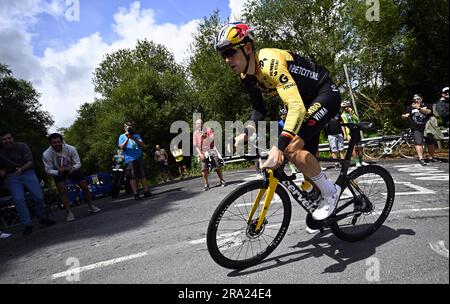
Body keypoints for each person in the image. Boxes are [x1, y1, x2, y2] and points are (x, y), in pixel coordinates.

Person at [215, 22, 341, 220]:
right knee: (305, 162)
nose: (227, 59)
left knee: (290, 149)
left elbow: (297, 107)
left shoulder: (269, 62)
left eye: (230, 52)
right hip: (302, 102)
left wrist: (279, 148)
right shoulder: (246, 76)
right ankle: (322, 201)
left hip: (324, 93)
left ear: (247, 48)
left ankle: (331, 192)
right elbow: (258, 111)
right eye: (223, 55)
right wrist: (244, 134)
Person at [0, 129, 55, 235]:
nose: (7, 141)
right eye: (4, 139)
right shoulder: (1, 153)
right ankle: (27, 224)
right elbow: (3, 169)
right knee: (19, 200)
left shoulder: (22, 146)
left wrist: (21, 169)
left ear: (12, 138)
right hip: (12, 176)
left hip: (27, 171)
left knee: (38, 197)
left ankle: (42, 217)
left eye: (9, 138)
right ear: (0, 141)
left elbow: (30, 162)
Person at [43, 133, 101, 221]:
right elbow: (48, 170)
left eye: (59, 142)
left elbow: (78, 163)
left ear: (62, 141)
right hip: (58, 170)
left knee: (84, 185)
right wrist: (58, 171)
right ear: (50, 144)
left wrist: (73, 168)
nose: (57, 144)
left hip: (72, 168)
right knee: (61, 189)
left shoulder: (71, 149)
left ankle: (91, 205)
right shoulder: (46, 154)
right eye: (54, 142)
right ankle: (69, 212)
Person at [118, 122, 152, 200]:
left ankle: (146, 191)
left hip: (138, 157)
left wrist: (134, 138)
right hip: (129, 159)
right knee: (132, 177)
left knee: (142, 175)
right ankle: (136, 193)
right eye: (127, 127)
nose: (129, 128)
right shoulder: (122, 136)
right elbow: (121, 147)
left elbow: (143, 145)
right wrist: (127, 138)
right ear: (124, 128)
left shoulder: (136, 135)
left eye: (130, 127)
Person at [401, 94, 437, 165]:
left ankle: (431, 157)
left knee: (431, 143)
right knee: (418, 143)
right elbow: (405, 114)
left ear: (422, 99)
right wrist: (404, 116)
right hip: (416, 128)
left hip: (427, 128)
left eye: (418, 98)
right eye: (415, 99)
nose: (417, 100)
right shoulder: (410, 107)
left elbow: (428, 112)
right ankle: (421, 158)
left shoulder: (427, 105)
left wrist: (418, 108)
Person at [193, 119, 226, 191]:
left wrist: (206, 137)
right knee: (203, 168)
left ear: (202, 124)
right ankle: (206, 184)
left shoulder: (208, 130)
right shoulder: (195, 133)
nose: (198, 125)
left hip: (212, 149)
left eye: (199, 123)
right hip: (203, 152)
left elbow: (212, 138)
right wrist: (200, 154)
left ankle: (222, 180)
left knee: (217, 165)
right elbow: (196, 146)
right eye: (197, 124)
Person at [341, 101, 369, 167]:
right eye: (346, 107)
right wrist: (345, 134)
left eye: (348, 106)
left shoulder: (352, 112)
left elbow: (357, 120)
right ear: (343, 108)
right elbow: (345, 124)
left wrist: (352, 113)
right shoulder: (343, 115)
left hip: (356, 131)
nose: (348, 107)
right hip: (350, 133)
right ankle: (357, 162)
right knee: (353, 148)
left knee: (359, 147)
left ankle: (362, 161)